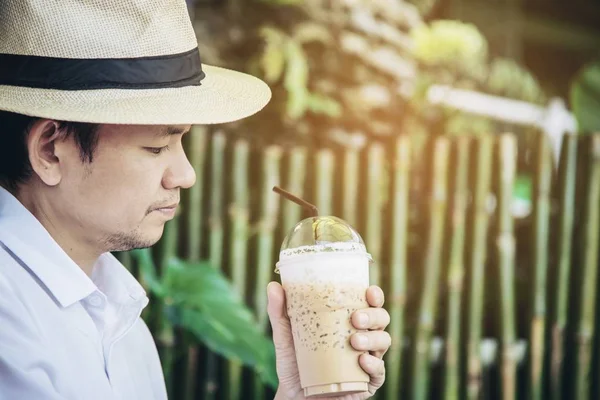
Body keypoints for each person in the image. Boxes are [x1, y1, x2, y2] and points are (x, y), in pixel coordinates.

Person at [0, 1, 391, 399]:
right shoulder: (9, 320)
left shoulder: (120, 317)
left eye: (181, 141)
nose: (186, 175)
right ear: (50, 150)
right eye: (156, 147)